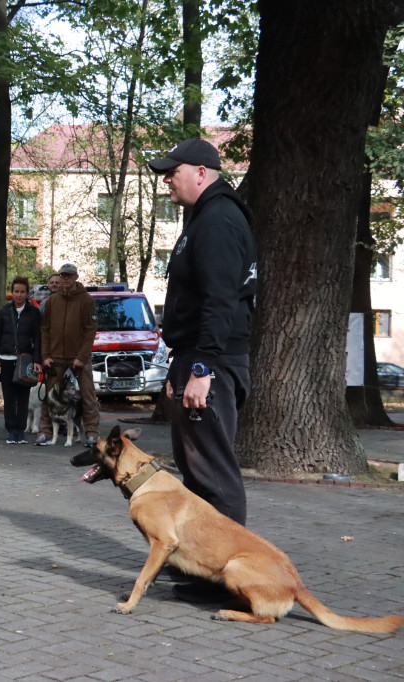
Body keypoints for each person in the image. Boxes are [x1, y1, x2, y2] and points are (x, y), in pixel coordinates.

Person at [149, 139, 257, 599]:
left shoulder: (217, 220)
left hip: (210, 359)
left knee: (214, 472)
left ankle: (222, 577)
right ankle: (199, 568)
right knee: (199, 470)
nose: (167, 179)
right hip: (198, 356)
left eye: (173, 171)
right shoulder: (205, 217)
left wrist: (201, 367)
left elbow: (220, 301)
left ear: (201, 171)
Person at [37, 263, 100, 447]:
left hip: (79, 356)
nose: (66, 279)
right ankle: (45, 432)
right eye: (63, 275)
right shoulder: (51, 302)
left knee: (87, 395)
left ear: (76, 277)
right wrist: (45, 355)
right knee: (49, 395)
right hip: (55, 357)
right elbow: (45, 330)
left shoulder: (86, 300)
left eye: (69, 276)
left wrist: (81, 357)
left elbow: (90, 331)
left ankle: (91, 433)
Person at [0, 277, 41, 444]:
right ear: (12, 293)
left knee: (23, 396)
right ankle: (11, 430)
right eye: (16, 291)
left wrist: (37, 359)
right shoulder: (5, 311)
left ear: (27, 293)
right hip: (6, 359)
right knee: (9, 396)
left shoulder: (34, 312)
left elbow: (37, 338)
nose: (19, 295)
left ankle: (21, 430)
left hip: (25, 360)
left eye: (22, 292)